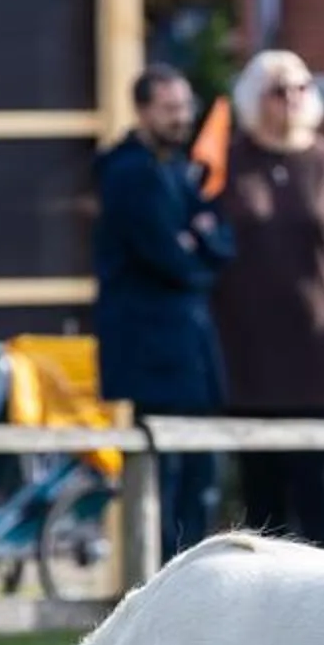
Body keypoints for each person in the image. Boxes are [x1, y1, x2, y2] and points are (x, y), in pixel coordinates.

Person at [208, 49, 324, 551]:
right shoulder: (227, 164)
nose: (290, 100)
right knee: (260, 497)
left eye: (300, 88)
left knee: (322, 488)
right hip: (246, 358)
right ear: (252, 100)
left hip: (320, 359)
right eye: (277, 90)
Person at [92, 64, 232, 562]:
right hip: (155, 356)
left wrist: (199, 243)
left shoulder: (176, 169)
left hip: (189, 354)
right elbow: (175, 261)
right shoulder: (129, 172)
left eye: (185, 107)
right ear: (144, 110)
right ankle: (167, 579)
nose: (182, 118)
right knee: (167, 482)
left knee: (199, 480)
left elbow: (222, 243)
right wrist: (195, 247)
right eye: (170, 109)